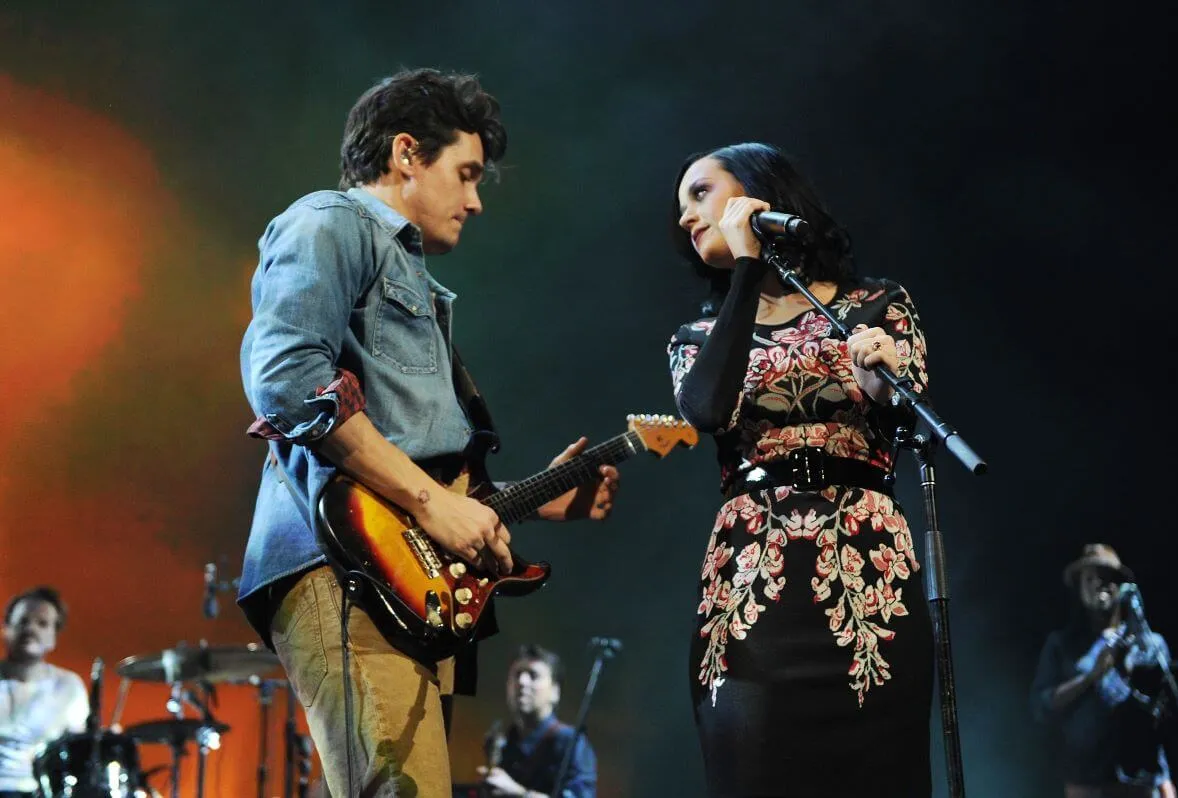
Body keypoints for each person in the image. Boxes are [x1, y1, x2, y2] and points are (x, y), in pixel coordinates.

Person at [237, 67, 619, 797]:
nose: (476, 201)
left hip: (405, 579)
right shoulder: (331, 221)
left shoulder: (411, 275)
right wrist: (431, 502)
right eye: (467, 175)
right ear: (407, 153)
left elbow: (409, 456)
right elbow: (285, 379)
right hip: (341, 565)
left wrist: (517, 500)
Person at [666, 142, 934, 796]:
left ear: (760, 192)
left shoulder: (879, 304)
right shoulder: (697, 337)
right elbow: (705, 409)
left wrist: (880, 381)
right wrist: (746, 271)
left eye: (700, 193)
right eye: (681, 206)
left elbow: (912, 414)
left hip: (867, 572)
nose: (685, 217)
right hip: (754, 582)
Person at [1031, 544, 1178, 798]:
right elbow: (1042, 705)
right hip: (1088, 784)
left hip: (1142, 784)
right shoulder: (1062, 645)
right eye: (1089, 579)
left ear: (1120, 585)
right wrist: (1091, 676)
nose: (1098, 584)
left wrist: (1165, 784)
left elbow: (1168, 715)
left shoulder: (1149, 644)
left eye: (1106, 577)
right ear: (1080, 590)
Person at [0, 587, 88, 798]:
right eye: (23, 621)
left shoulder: (69, 686)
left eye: (42, 624)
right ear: (5, 629)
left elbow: (78, 751)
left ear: (54, 637)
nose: (31, 629)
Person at [477, 644, 596, 798]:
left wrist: (519, 793)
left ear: (555, 691)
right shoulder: (506, 740)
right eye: (517, 674)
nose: (522, 682)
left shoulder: (571, 743)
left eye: (533, 675)